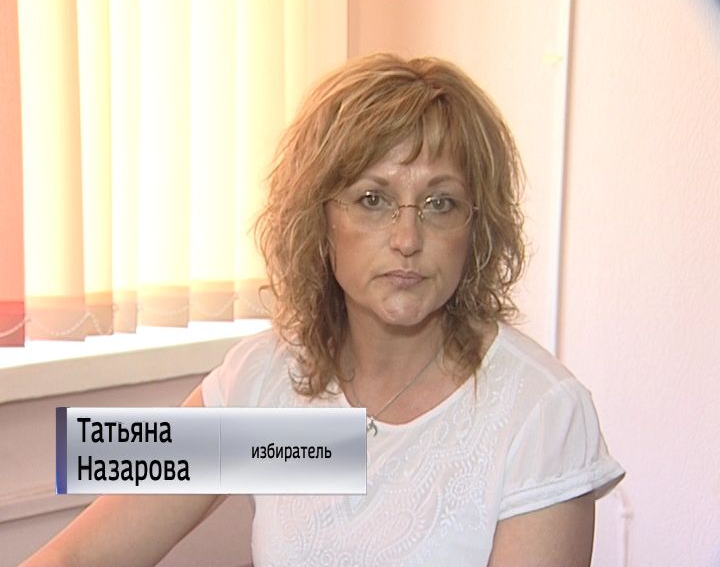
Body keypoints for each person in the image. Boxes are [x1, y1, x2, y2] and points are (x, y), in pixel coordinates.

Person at [22, 53, 624, 567]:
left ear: (476, 227)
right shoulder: (265, 377)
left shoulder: (541, 414)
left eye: (440, 203)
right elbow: (76, 556)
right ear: (320, 219)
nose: (407, 239)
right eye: (373, 199)